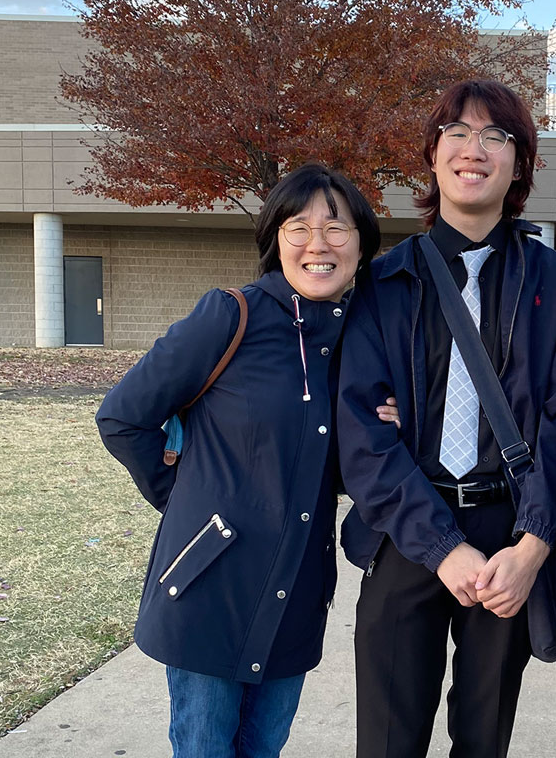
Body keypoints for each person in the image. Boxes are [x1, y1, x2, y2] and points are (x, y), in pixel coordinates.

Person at [96, 164, 384, 758]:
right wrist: (184, 500)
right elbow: (122, 416)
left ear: (362, 244)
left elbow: (338, 468)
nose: (319, 244)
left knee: (263, 749)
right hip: (211, 585)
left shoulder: (363, 340)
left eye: (337, 227)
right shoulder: (230, 316)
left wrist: (389, 430)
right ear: (275, 239)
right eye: (299, 227)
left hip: (298, 589)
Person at [336, 79, 556, 758]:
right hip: (406, 530)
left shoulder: (555, 283)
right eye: (457, 132)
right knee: (387, 743)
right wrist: (441, 548)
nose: (474, 149)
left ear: (520, 162)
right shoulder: (383, 283)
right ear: (433, 153)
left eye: (496, 136)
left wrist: (533, 546)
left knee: (483, 741)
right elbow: (363, 433)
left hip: (509, 536)